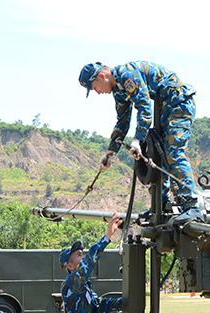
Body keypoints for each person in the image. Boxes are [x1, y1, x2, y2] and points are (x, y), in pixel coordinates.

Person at [78, 61, 200, 224]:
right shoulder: (119, 91)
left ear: (102, 76)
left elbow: (144, 107)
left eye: (94, 87)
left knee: (173, 153)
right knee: (157, 156)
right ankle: (161, 204)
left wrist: (138, 139)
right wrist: (110, 152)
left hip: (179, 103)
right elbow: (122, 122)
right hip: (165, 107)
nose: (97, 92)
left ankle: (191, 207)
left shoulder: (127, 75)